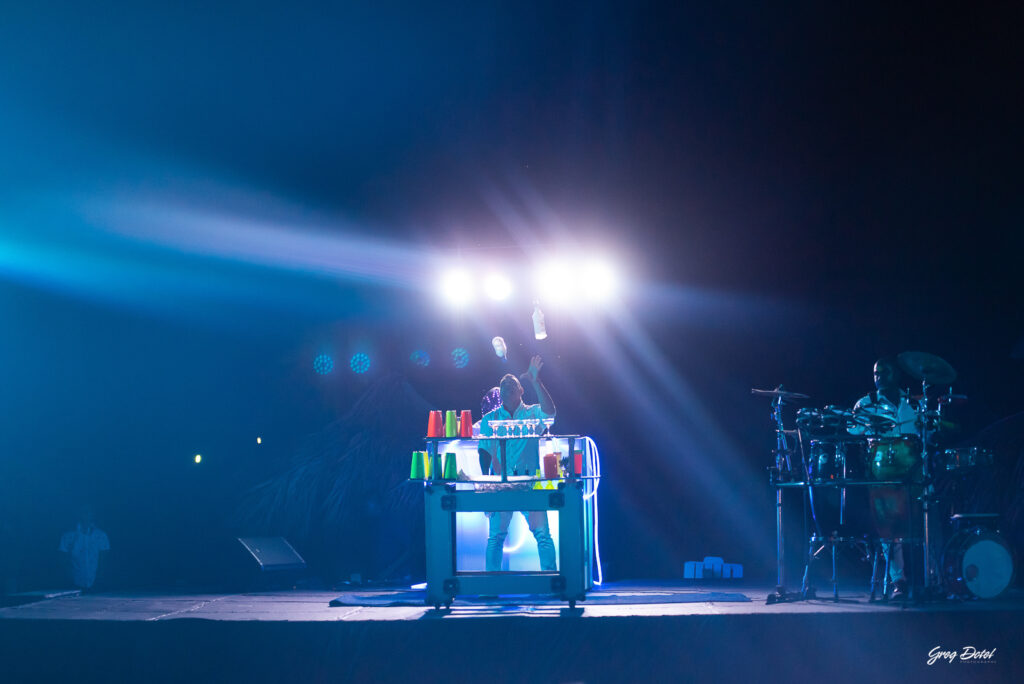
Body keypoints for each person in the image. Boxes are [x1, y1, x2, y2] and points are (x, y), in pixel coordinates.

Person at [478, 355, 557, 572]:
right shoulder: (490, 419)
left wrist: (535, 381)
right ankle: (491, 586)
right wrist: (485, 484)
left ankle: (550, 581)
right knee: (495, 537)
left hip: (530, 482)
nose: (506, 391)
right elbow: (484, 450)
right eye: (503, 388)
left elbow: (550, 414)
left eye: (511, 387)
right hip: (501, 485)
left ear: (521, 390)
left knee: (542, 534)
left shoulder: (532, 413)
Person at [851, 357, 917, 599]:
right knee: (889, 528)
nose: (878, 378)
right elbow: (852, 430)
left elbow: (925, 436)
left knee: (923, 520)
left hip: (912, 472)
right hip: (880, 474)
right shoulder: (866, 404)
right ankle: (898, 581)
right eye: (876, 373)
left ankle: (935, 577)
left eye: (884, 373)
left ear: (896, 375)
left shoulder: (912, 403)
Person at [59, 506, 110, 591]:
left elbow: (104, 557)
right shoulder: (69, 535)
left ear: (93, 515)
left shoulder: (100, 535)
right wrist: (69, 576)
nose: (86, 515)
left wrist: (100, 576)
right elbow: (63, 557)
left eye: (88, 513)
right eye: (84, 512)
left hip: (95, 582)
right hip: (74, 581)